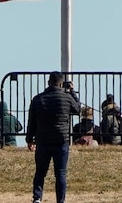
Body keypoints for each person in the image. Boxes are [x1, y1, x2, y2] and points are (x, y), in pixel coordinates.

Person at [26, 72, 81, 203]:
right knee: (60, 173)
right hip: (61, 140)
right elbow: (78, 109)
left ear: (48, 82)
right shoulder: (66, 98)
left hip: (43, 139)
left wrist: (30, 139)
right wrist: (72, 92)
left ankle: (37, 197)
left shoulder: (38, 99)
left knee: (40, 172)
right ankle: (60, 200)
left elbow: (32, 121)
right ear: (61, 83)